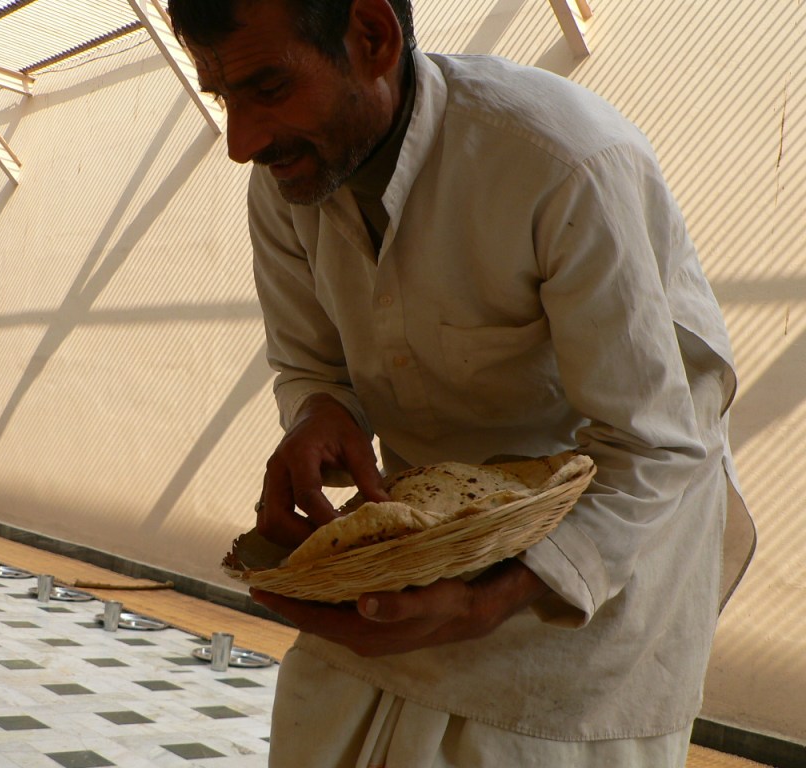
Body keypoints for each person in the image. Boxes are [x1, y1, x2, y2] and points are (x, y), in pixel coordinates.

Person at [168, 1, 749, 765]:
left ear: (372, 37)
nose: (241, 142)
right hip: (420, 561)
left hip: (598, 564)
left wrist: (486, 599)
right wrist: (319, 413)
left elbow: (655, 443)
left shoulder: (562, 161)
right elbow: (310, 365)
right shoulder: (290, 176)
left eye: (268, 87)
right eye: (222, 98)